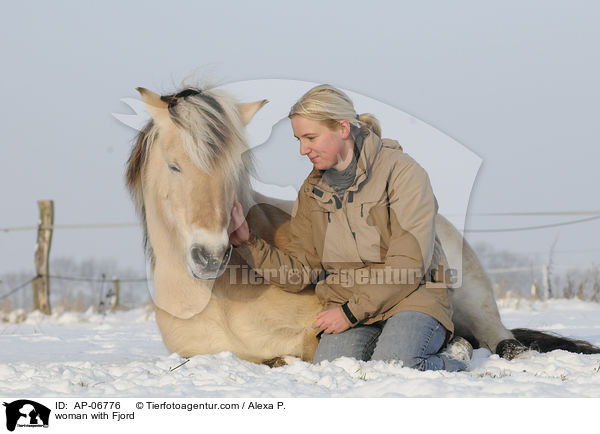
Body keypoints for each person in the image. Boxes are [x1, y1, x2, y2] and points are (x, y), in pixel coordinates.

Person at [229, 84, 472, 371]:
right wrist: (247, 243)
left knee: (397, 367)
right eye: (299, 139)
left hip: (411, 297)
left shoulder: (403, 173)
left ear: (343, 128)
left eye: (310, 137)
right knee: (337, 370)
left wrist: (348, 312)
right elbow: (300, 271)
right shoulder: (312, 191)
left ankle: (456, 356)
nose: (303, 149)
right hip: (350, 304)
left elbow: (408, 264)